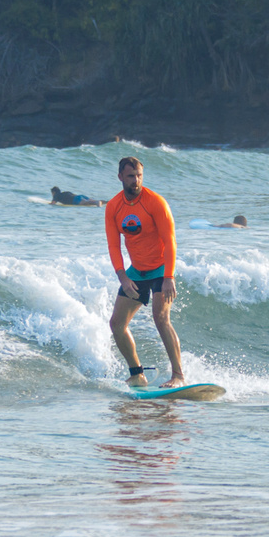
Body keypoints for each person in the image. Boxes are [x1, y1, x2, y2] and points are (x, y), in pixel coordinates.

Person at [105, 156, 185, 385]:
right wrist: (122, 276)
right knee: (116, 324)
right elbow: (113, 245)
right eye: (131, 176)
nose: (136, 181)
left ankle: (178, 376)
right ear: (120, 177)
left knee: (161, 318)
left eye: (139, 175)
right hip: (137, 272)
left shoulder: (155, 202)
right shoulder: (113, 206)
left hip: (161, 270)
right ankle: (137, 373)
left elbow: (170, 242)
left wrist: (169, 277)